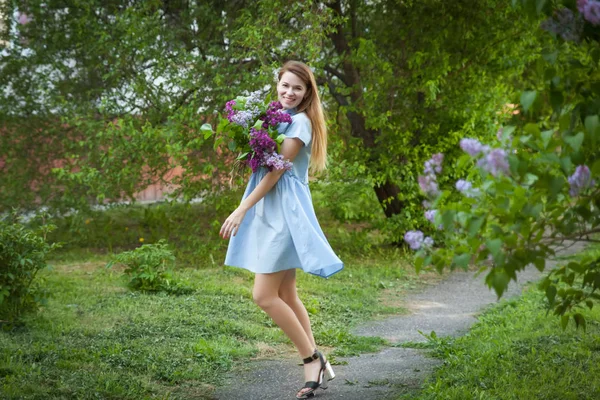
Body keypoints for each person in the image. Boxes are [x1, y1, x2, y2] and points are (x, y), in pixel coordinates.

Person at [220, 60, 344, 399]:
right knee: (287, 294)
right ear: (278, 84)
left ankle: (310, 359)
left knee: (263, 295)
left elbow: (275, 173)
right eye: (285, 85)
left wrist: (241, 209)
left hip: (285, 213)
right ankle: (318, 361)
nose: (289, 92)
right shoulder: (279, 119)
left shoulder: (300, 123)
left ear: (307, 94)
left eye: (297, 88)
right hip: (274, 210)